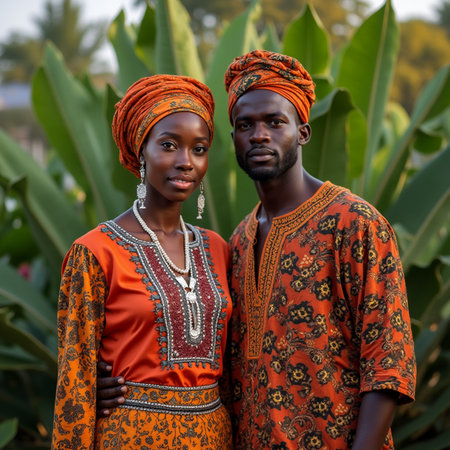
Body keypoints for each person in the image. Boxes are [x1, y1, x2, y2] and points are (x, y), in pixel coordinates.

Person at [97, 50, 416, 449]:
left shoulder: (354, 223)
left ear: (303, 131)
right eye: (245, 125)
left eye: (275, 121)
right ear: (233, 140)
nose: (259, 135)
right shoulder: (238, 240)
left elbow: (388, 362)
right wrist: (106, 380)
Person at [52, 75, 233, 449]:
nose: (185, 162)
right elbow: (75, 380)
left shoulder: (218, 249)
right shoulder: (95, 253)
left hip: (213, 438)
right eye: (169, 145)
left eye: (199, 149)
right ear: (140, 152)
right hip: (130, 438)